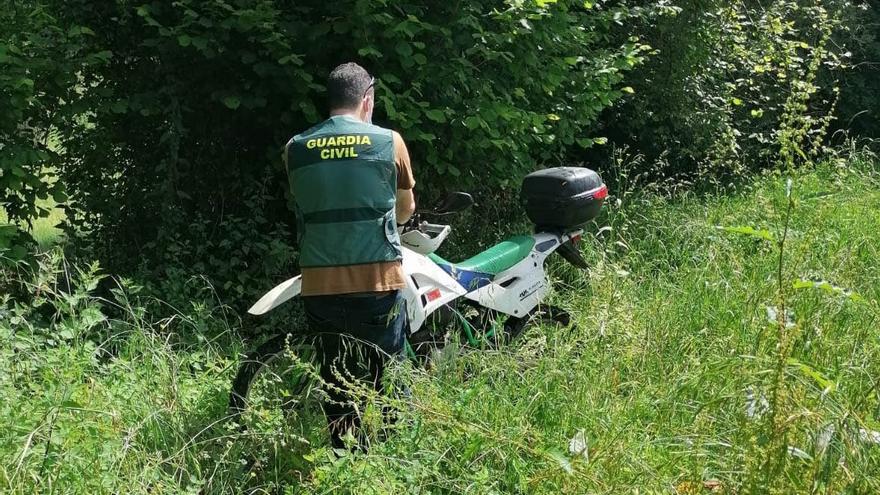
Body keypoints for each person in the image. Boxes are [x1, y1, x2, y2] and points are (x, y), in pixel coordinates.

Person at [283, 62, 416, 449]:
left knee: (335, 375)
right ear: (367, 100)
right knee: (389, 377)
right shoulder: (389, 142)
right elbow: (406, 209)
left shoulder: (294, 149)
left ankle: (343, 456)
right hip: (377, 280)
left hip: (319, 284)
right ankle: (390, 459)